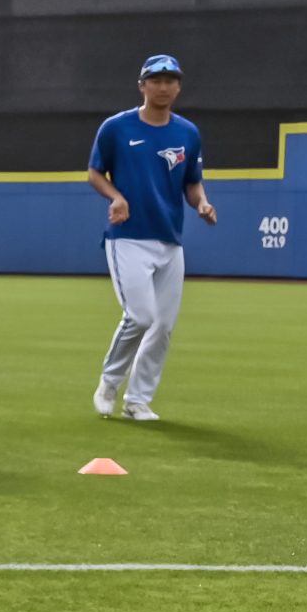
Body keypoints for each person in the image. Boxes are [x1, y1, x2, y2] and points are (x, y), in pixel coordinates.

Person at [87, 54, 214, 422]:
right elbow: (95, 173)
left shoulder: (187, 132)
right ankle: (110, 382)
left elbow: (192, 182)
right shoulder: (116, 128)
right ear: (142, 85)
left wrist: (202, 203)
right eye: (156, 80)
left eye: (170, 80)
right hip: (128, 237)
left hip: (170, 238)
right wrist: (117, 197)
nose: (163, 87)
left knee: (164, 326)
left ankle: (137, 400)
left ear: (178, 86)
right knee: (140, 316)